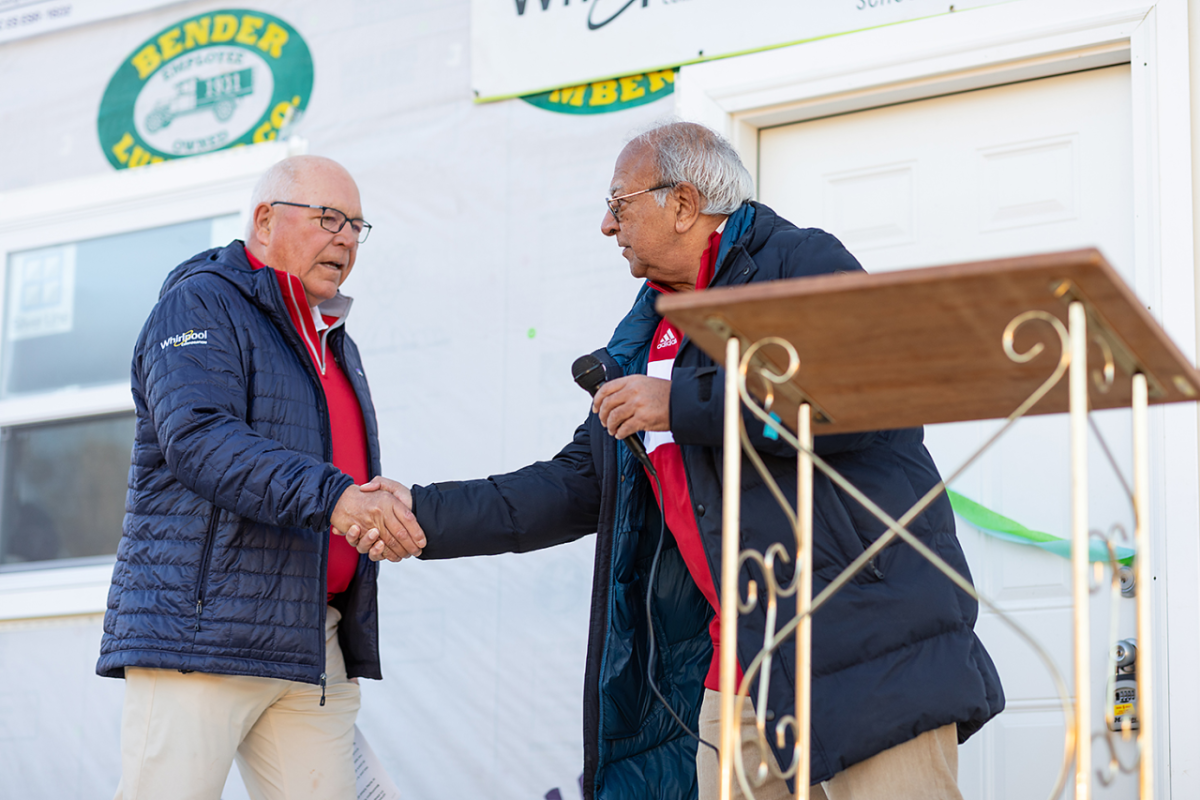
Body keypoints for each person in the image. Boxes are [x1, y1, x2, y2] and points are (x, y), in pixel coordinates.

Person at [352, 122, 1004, 800]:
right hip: (737, 671)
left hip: (868, 648)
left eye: (620, 203)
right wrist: (421, 515)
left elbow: (860, 391)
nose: (607, 225)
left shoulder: (800, 260)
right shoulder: (644, 336)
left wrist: (681, 402)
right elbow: (578, 484)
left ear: (684, 203)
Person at [97, 155, 425, 800]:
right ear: (266, 220)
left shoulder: (333, 339)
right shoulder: (201, 302)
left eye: (358, 224)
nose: (347, 238)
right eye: (329, 218)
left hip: (310, 639)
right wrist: (338, 499)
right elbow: (199, 440)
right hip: (202, 636)